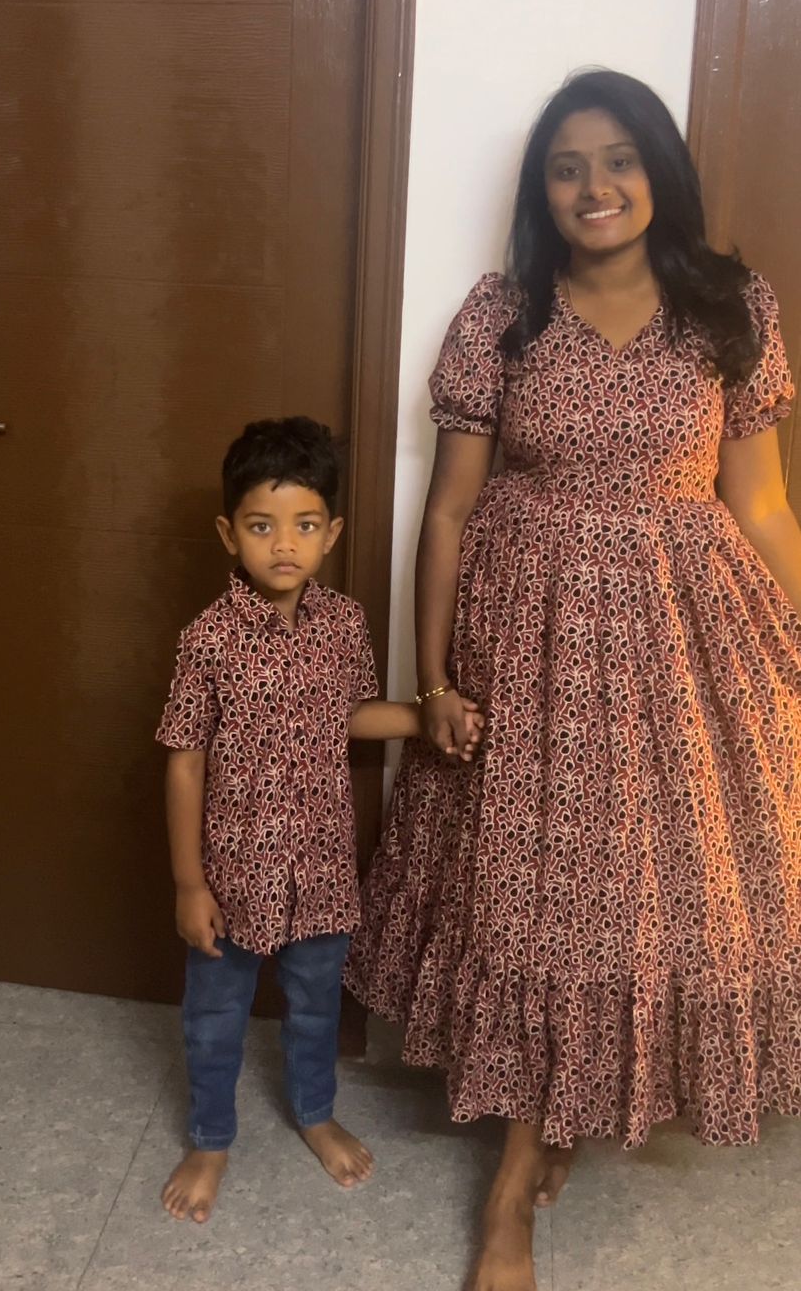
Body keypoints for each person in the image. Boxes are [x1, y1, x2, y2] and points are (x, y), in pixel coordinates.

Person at [345, 70, 801, 1291]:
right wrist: (433, 677)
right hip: (529, 640)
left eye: (619, 159)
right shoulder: (503, 315)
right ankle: (516, 1175)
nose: (595, 186)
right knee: (533, 897)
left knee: (644, 896)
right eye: (566, 166)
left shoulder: (730, 307)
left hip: (681, 643)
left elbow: (760, 503)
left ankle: (566, 1116)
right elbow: (450, 510)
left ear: (659, 170)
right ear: (541, 190)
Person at [156, 415, 482, 1225]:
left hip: (324, 873)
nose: (284, 545)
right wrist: (189, 883)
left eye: (304, 525)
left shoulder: (343, 624)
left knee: (315, 1006)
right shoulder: (207, 641)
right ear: (229, 534)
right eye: (262, 527)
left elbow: (349, 717)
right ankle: (210, 1139)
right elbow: (184, 760)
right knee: (214, 1017)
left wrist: (425, 718)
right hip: (231, 877)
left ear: (331, 533)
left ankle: (314, 1113)